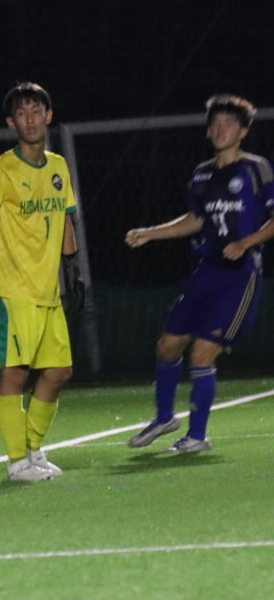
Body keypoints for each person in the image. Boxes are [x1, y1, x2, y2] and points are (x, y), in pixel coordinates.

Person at [126, 94, 274, 453]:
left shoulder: (257, 169)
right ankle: (165, 418)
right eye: (215, 123)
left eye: (229, 124)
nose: (220, 129)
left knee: (202, 355)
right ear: (208, 131)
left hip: (240, 274)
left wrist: (246, 243)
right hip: (206, 270)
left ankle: (196, 437)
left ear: (243, 132)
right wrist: (150, 233)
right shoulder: (202, 174)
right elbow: (195, 220)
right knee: (167, 346)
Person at [0, 81, 84, 482]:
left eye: (36, 111)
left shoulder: (58, 166)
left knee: (59, 371)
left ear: (48, 116)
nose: (29, 120)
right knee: (15, 373)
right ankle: (17, 463)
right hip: (11, 291)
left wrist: (72, 269)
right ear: (11, 123)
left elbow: (65, 219)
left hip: (48, 292)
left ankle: (33, 451)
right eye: (21, 114)